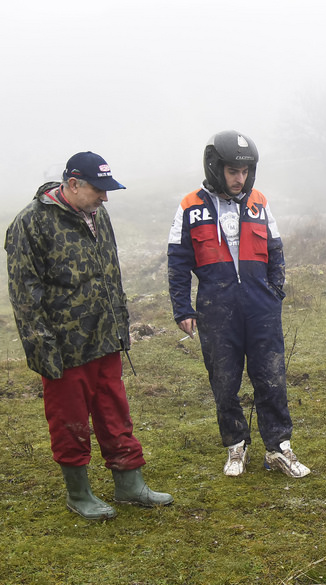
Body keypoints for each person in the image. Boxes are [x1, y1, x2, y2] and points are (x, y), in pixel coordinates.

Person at [5, 152, 173, 520]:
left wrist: (120, 325)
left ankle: (129, 483)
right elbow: (24, 294)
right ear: (73, 184)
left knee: (116, 412)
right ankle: (78, 494)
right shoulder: (30, 224)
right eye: (99, 190)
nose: (106, 198)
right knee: (70, 419)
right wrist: (42, 348)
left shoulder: (99, 215)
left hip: (105, 338)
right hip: (64, 347)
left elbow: (111, 273)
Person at [167, 130, 309, 478]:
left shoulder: (259, 201)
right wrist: (182, 309)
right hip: (217, 310)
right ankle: (236, 446)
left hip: (262, 309)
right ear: (216, 167)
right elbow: (177, 262)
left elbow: (276, 251)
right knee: (224, 382)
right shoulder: (189, 206)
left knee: (272, 379)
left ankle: (278, 448)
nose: (239, 178)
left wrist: (275, 292)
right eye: (233, 171)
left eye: (245, 172)